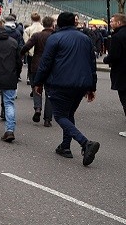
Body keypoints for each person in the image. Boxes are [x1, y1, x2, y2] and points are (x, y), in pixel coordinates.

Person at [33, 12, 100, 166]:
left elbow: (46, 63)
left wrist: (38, 82)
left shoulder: (55, 38)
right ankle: (65, 147)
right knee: (69, 114)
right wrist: (91, 87)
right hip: (81, 84)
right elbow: (92, 64)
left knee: (60, 116)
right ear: (74, 23)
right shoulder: (85, 39)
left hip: (60, 83)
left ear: (60, 24)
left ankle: (85, 143)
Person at [21, 15, 55, 127]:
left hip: (36, 64)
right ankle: (47, 119)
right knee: (50, 92)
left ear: (43, 24)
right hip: (51, 66)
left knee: (36, 87)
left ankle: (38, 108)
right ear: (52, 25)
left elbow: (26, 47)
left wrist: (21, 55)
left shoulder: (37, 35)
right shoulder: (55, 36)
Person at [103, 13, 126, 137]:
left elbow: (114, 56)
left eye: (112, 21)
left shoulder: (117, 37)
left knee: (125, 100)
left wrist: (107, 59)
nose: (110, 23)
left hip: (122, 72)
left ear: (118, 23)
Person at [23, 12, 44, 84]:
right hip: (42, 52)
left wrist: (25, 52)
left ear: (31, 19)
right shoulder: (43, 29)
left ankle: (32, 84)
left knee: (31, 69)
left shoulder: (28, 30)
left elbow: (26, 42)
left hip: (31, 53)